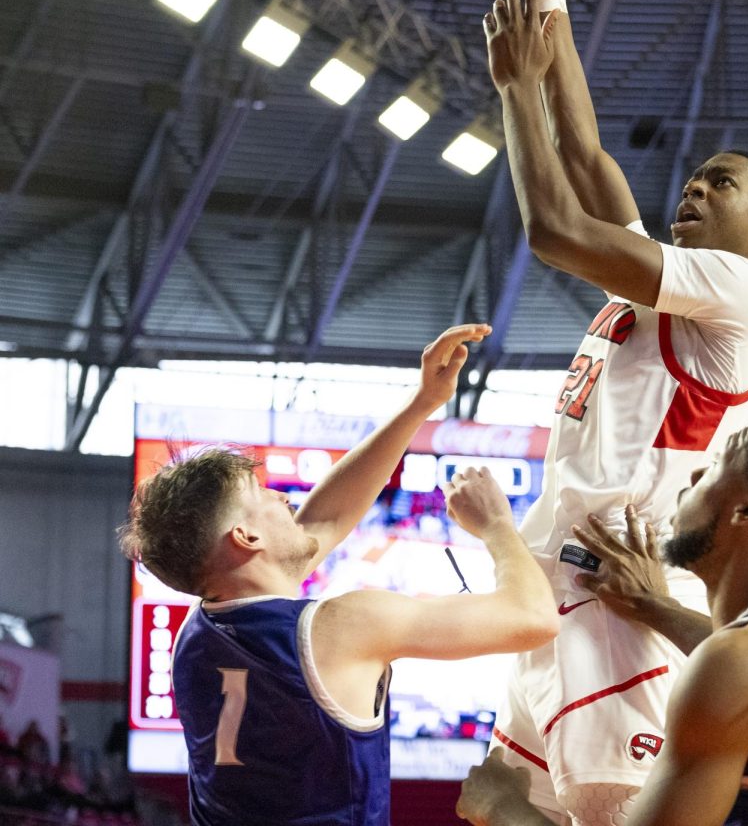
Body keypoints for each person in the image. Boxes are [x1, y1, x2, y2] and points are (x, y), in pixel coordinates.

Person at [472, 0, 748, 824]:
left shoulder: (742, 294)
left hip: (615, 583)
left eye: (719, 184)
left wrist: (511, 87)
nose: (693, 189)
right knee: (500, 805)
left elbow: (552, 229)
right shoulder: (660, 291)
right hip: (556, 577)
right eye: (692, 178)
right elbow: (582, 150)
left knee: (615, 812)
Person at [118, 323, 559, 826]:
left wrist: (421, 404)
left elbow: (323, 521)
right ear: (246, 539)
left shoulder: (194, 634)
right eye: (266, 498)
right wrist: (497, 526)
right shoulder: (343, 627)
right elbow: (533, 617)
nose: (285, 500)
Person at [455, 411, 748, 825]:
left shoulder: (741, 663)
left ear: (746, 511)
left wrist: (501, 807)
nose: (693, 474)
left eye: (715, 468)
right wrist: (657, 606)